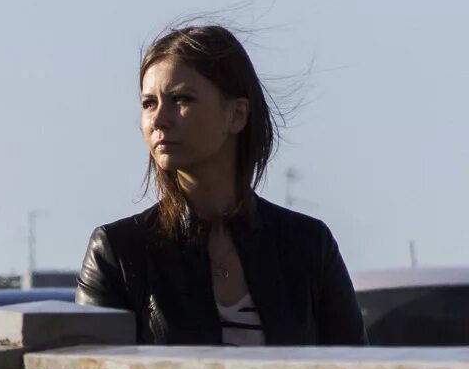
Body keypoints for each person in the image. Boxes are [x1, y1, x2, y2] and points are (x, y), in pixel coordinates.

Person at [77, 24, 364, 346]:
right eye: (149, 103)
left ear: (237, 115)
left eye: (180, 99)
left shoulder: (308, 246)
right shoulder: (118, 251)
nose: (159, 120)